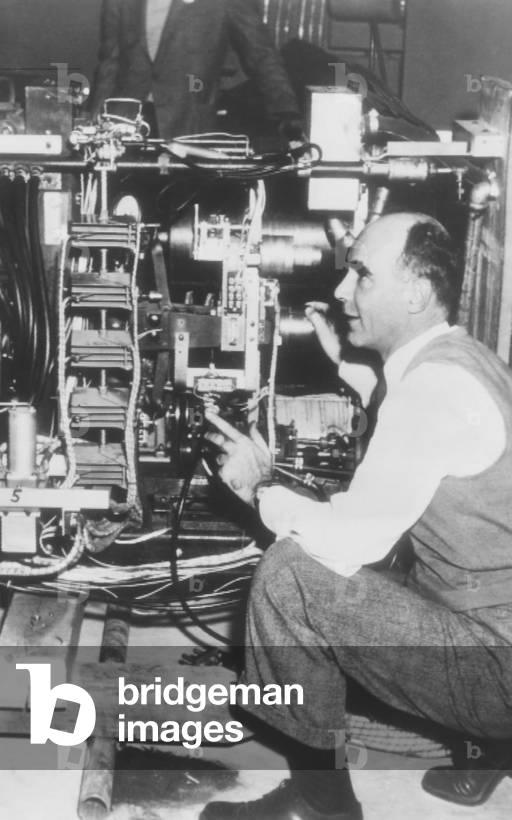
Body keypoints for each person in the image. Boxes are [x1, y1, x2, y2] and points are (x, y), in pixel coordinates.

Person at [202, 212, 512, 819]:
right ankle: (489, 748)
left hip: (498, 665)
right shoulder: (464, 359)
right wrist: (346, 363)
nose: (343, 291)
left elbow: (350, 543)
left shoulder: (431, 391)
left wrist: (259, 486)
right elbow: (420, 425)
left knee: (292, 575)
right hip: (497, 619)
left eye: (362, 276)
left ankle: (319, 803)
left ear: (416, 293)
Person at [90, 0, 302, 140]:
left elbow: (262, 54)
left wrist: (287, 113)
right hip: (124, 127)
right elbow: (110, 61)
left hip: (189, 127)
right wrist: (94, 119)